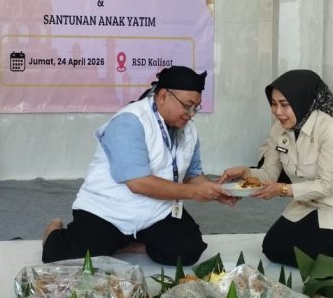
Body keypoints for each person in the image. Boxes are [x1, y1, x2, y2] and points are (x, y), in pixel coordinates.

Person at [42, 66, 232, 265]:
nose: (191, 114)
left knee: (188, 251)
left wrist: (216, 190)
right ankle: (53, 231)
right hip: (108, 211)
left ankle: (124, 243)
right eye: (187, 105)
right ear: (163, 96)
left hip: (156, 211)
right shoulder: (129, 122)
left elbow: (193, 175)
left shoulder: (188, 130)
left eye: (196, 107)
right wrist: (194, 193)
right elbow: (138, 183)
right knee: (67, 258)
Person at [220, 70, 333, 265]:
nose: (278, 112)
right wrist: (245, 173)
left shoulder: (330, 130)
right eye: (273, 104)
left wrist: (282, 190)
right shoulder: (278, 129)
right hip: (307, 204)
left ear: (302, 100)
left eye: (284, 104)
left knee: (302, 254)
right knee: (273, 249)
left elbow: (326, 186)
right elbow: (269, 174)